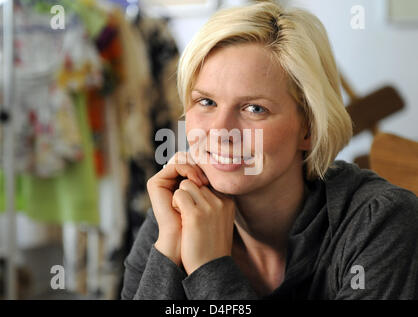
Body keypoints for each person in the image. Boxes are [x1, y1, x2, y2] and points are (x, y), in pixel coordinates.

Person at [121, 0, 418, 300]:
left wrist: (208, 268)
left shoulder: (379, 222)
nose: (221, 131)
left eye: (254, 108)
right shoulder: (173, 216)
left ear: (310, 128)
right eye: (206, 102)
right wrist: (168, 251)